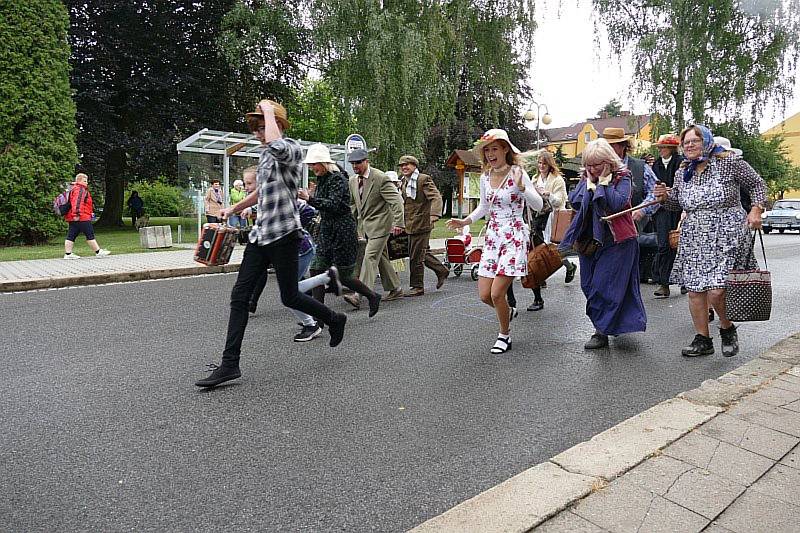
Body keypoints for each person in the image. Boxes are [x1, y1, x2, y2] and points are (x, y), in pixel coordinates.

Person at [195, 99, 347, 388]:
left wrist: (268, 109)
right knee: (240, 297)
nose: (257, 133)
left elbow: (277, 144)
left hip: (285, 235)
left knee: (289, 296)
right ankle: (230, 365)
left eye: (262, 127)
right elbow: (263, 192)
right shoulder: (265, 154)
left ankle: (333, 318)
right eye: (255, 129)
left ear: (275, 124)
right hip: (260, 236)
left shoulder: (290, 149)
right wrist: (234, 209)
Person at [654, 125, 767, 358]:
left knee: (716, 290)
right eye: (686, 143)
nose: (690, 146)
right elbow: (678, 204)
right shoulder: (683, 171)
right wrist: (665, 197)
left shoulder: (729, 162)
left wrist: (756, 209)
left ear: (707, 141)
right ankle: (703, 339)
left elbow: (757, 185)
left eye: (695, 141)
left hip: (727, 233)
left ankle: (727, 329)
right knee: (695, 290)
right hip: (695, 235)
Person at [447, 129, 543, 354]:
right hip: (493, 236)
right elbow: (484, 207)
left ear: (505, 149)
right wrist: (465, 221)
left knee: (497, 294)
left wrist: (521, 188)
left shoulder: (518, 173)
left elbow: (538, 205)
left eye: (494, 149)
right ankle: (507, 312)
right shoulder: (485, 177)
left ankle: (504, 335)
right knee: (484, 295)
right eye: (487, 150)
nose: (490, 154)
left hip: (514, 235)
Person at [559, 139, 647, 349]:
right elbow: (576, 200)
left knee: (604, 287)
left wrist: (603, 184)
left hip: (618, 241)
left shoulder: (623, 177)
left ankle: (601, 331)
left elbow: (616, 203)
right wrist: (590, 183)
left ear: (608, 162)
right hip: (589, 240)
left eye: (597, 165)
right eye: (588, 164)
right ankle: (606, 324)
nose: (592, 169)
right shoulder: (586, 177)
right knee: (588, 285)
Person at [298, 144, 381, 316]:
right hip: (327, 229)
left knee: (344, 275)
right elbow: (323, 206)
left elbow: (334, 205)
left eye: (315, 164)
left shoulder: (337, 179)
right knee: (316, 270)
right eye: (310, 165)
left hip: (342, 230)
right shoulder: (322, 180)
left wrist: (310, 199)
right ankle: (318, 316)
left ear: (324, 163)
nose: (312, 168)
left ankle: (372, 296)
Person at [345, 148, 405, 306]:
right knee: (382, 258)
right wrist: (349, 225)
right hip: (365, 227)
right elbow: (353, 205)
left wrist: (399, 223)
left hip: (381, 226)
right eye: (352, 163)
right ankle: (395, 288)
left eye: (358, 162)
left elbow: (397, 201)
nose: (355, 166)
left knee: (370, 257)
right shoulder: (352, 181)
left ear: (366, 161)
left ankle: (359, 295)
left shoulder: (380, 178)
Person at [527, 150, 578, 312]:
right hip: (538, 219)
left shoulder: (557, 180)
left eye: (544, 163)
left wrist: (548, 194)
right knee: (540, 250)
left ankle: (569, 267)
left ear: (549, 165)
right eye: (539, 163)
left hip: (553, 218)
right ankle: (541, 276)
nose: (541, 166)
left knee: (552, 250)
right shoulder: (534, 179)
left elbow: (561, 201)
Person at [397, 155, 449, 296]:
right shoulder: (403, 182)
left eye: (407, 164)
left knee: (415, 257)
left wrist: (434, 215)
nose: (404, 167)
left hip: (422, 223)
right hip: (410, 224)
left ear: (414, 166)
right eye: (402, 165)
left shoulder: (422, 179)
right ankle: (442, 270)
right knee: (422, 253)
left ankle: (417, 287)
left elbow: (436, 197)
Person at [601, 127, 658, 230]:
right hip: (604, 230)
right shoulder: (597, 167)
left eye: (611, 146)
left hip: (634, 229)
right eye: (605, 146)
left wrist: (642, 210)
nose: (606, 150)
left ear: (622, 146)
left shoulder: (641, 167)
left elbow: (655, 193)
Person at [650, 134, 684, 298]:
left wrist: (671, 190)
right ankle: (664, 284)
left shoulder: (681, 163)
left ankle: (686, 281)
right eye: (659, 147)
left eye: (663, 147)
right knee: (663, 245)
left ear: (671, 148)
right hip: (662, 209)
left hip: (679, 209)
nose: (660, 150)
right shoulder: (655, 165)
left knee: (682, 245)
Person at [63, 173, 111, 259]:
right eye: (85, 181)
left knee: (71, 235)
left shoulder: (74, 189)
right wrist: (76, 214)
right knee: (90, 234)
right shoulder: (80, 189)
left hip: (74, 217)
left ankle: (68, 254)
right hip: (82, 217)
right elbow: (77, 202)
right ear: (79, 181)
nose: (86, 183)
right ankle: (98, 251)